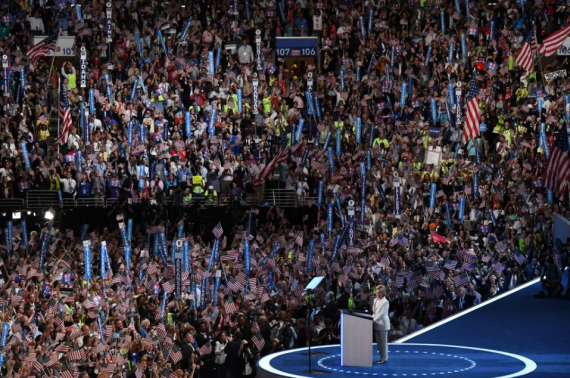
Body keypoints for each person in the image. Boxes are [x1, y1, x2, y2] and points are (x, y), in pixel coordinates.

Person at [372, 285, 390, 364]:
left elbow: (382, 314)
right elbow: (375, 313)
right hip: (376, 324)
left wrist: (374, 320)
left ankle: (384, 358)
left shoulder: (385, 302)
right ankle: (381, 357)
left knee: (383, 343)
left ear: (383, 293)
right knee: (379, 343)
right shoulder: (375, 300)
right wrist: (371, 318)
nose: (378, 294)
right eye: (377, 292)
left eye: (379, 292)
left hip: (383, 324)